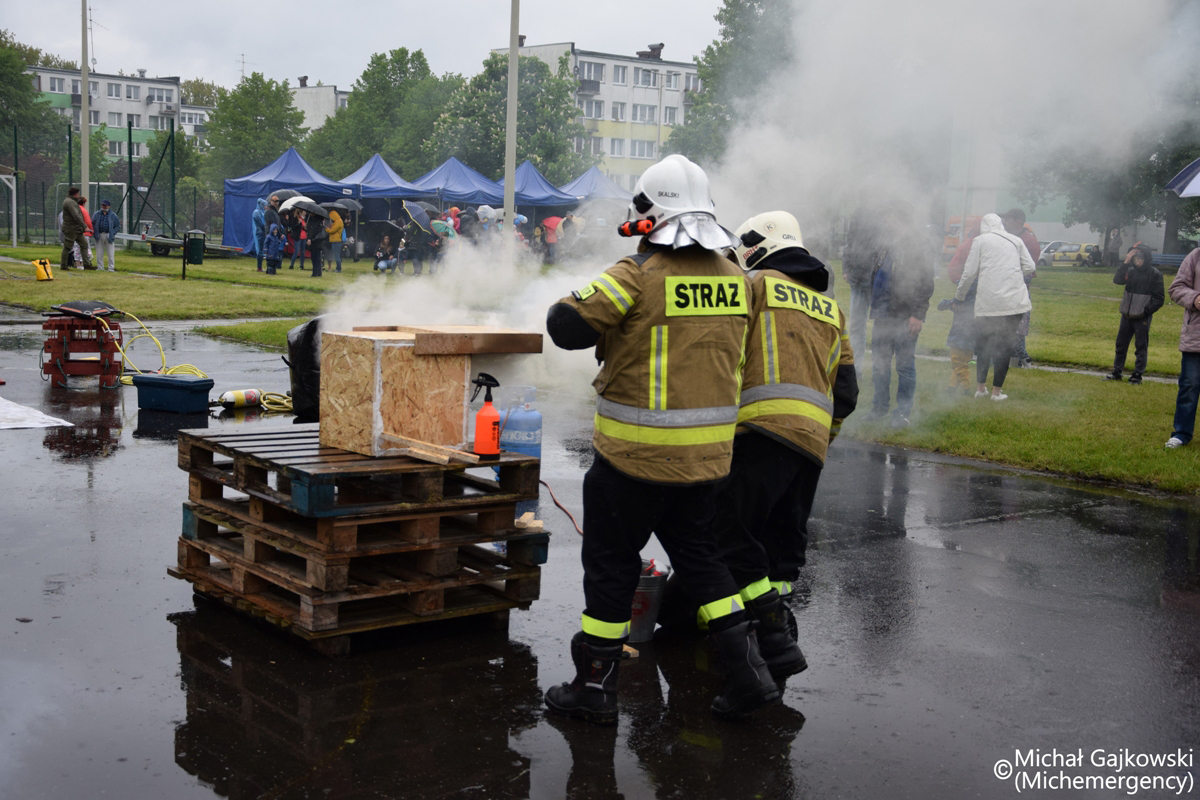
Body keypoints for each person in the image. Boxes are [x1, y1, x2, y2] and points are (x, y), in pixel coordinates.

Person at [543, 154, 778, 725]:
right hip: (704, 464)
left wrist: (582, 291)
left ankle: (595, 685)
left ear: (647, 214)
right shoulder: (737, 280)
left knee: (610, 567)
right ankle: (751, 676)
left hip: (632, 463)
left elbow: (565, 327)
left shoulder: (635, 276)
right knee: (702, 562)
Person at [688, 210, 858, 686]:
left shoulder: (754, 285)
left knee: (724, 530)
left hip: (758, 434)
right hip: (811, 446)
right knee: (782, 544)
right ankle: (777, 624)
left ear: (758, 245)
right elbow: (846, 393)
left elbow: (713, 349)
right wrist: (820, 438)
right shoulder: (831, 310)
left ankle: (770, 631)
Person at [953, 213, 1035, 401]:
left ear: (984, 227)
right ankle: (997, 392)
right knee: (1005, 346)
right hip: (1014, 304)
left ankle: (980, 389)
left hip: (987, 304)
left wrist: (959, 297)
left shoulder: (980, 241)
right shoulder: (1016, 241)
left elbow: (969, 272)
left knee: (983, 344)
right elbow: (1030, 266)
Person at [867, 205, 935, 426]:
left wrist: (918, 314)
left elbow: (925, 283)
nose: (886, 224)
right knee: (879, 364)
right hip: (882, 314)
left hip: (906, 316)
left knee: (904, 366)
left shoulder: (919, 245)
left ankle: (902, 413)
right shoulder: (884, 244)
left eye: (890, 220)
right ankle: (879, 409)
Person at [1104, 243, 1165, 385]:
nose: (1137, 262)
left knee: (1140, 347)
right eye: (1134, 259)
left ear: (1146, 258)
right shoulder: (1130, 271)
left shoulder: (1155, 274)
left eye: (1139, 259)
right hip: (1126, 315)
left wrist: (1145, 311)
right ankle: (1117, 372)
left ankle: (1137, 376)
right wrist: (1125, 263)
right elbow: (1117, 280)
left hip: (1141, 318)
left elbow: (1159, 299)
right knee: (1121, 345)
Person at [842, 196, 885, 379]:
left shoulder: (884, 214)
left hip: (877, 279)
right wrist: (846, 268)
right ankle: (856, 368)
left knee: (881, 326)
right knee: (857, 326)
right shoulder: (858, 214)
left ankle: (879, 370)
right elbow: (850, 242)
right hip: (859, 277)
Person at [1165, 247, 1200, 448]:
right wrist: (1194, 298)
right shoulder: (1195, 256)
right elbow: (1176, 288)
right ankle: (1181, 433)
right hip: (1196, 338)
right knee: (1189, 387)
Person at [943, 219, 981, 394]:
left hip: (961, 327)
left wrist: (948, 303)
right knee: (963, 358)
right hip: (975, 321)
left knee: (957, 359)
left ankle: (965, 387)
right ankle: (952, 386)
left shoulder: (969, 247)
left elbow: (956, 274)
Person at [1000, 209, 1040, 367]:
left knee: (1017, 329)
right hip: (1004, 290)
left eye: (1007, 219)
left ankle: (1020, 361)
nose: (1004, 222)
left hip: (1018, 292)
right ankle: (1003, 359)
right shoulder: (1009, 238)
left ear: (1017, 221)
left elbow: (1028, 272)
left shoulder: (1028, 242)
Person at [59, 188, 93, 270]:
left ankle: (86, 264)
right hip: (71, 229)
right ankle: (63, 265)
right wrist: (85, 226)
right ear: (75, 194)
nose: (79, 195)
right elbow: (76, 216)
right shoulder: (70, 202)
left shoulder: (72, 201)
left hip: (77, 229)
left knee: (84, 244)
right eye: (78, 194)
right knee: (67, 247)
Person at [92, 198, 121, 272]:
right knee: (99, 253)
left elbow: (117, 226)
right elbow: (93, 223)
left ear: (109, 206)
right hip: (99, 235)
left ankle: (111, 268)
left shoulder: (113, 215)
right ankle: (100, 268)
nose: (103, 207)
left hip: (109, 235)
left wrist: (112, 233)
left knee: (111, 253)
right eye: (103, 205)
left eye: (105, 206)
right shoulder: (97, 214)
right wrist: (95, 233)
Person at [305, 211, 326, 277]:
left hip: (315, 241)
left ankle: (315, 273)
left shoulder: (315, 221)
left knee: (315, 258)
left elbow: (313, 230)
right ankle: (318, 273)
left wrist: (309, 238)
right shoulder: (319, 221)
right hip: (318, 241)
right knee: (317, 258)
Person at [253, 198, 268, 272]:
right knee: (260, 250)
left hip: (263, 232)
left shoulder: (263, 212)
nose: (266, 207)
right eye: (265, 205)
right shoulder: (256, 212)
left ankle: (260, 267)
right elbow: (260, 223)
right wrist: (265, 228)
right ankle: (259, 267)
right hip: (260, 233)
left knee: (262, 250)